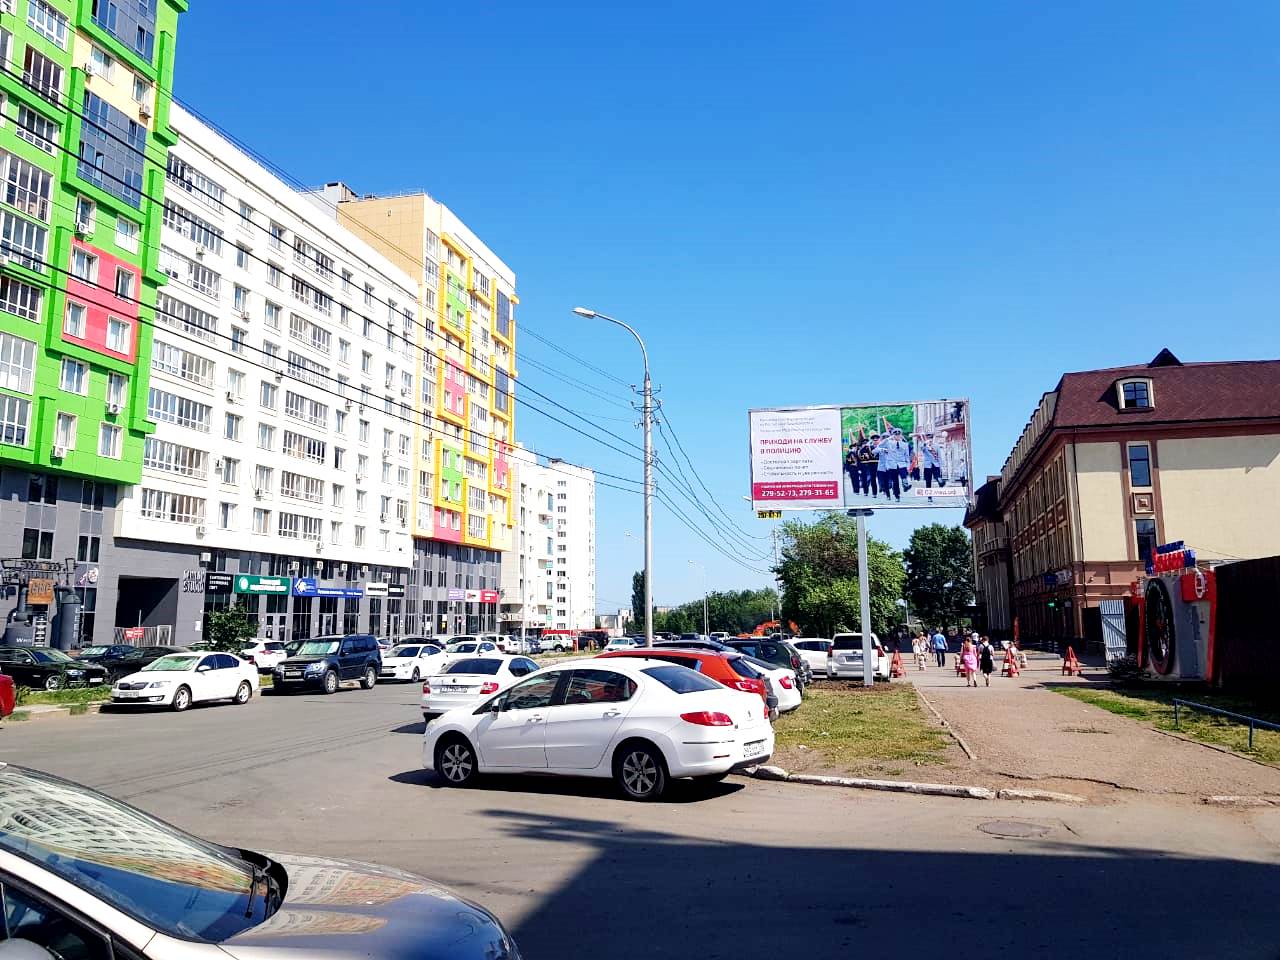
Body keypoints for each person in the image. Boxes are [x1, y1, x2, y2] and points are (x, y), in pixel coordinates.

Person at [858, 432, 880, 497]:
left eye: (876, 440)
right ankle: (873, 493)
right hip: (871, 464)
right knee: (872, 479)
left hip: (880, 464)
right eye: (874, 440)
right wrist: (865, 446)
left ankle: (883, 489)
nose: (875, 441)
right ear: (872, 440)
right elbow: (861, 452)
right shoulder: (869, 447)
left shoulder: (881, 446)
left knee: (881, 478)